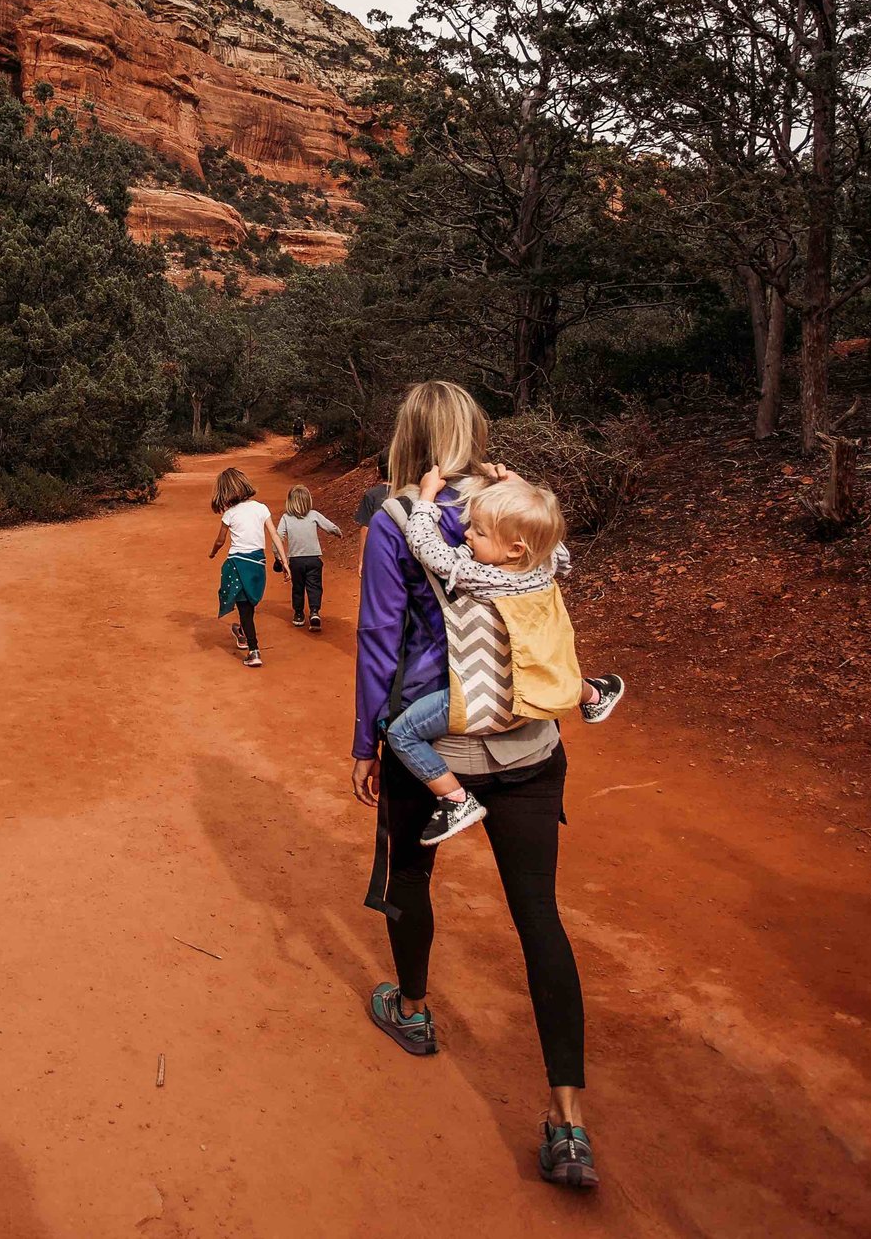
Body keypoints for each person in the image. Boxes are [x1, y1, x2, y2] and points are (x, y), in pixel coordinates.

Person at [353, 380, 600, 1190]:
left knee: (412, 876)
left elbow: (381, 636)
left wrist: (367, 741)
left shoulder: (396, 518)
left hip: (443, 731)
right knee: (540, 917)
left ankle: (415, 1012)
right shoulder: (512, 504)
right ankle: (567, 1119)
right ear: (472, 432)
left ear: (407, 437)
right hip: (530, 735)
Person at [387, 470, 626, 846]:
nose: (467, 534)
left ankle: (454, 798)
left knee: (402, 733)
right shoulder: (547, 564)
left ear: (514, 549)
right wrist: (516, 484)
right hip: (540, 676)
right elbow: (554, 542)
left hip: (490, 698)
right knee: (547, 667)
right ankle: (593, 694)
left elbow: (426, 548)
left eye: (479, 532)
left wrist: (426, 500)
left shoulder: (483, 579)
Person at [209, 467, 282, 668]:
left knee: (244, 607)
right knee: (249, 604)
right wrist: (284, 560)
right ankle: (242, 633)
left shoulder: (230, 514)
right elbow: (274, 535)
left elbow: (220, 541)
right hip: (258, 565)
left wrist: (213, 552)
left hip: (237, 565)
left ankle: (254, 650)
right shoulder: (261, 508)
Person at [276, 485, 341, 631]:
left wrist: (278, 556)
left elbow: (278, 537)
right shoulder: (313, 515)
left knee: (298, 587)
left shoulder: (286, 518)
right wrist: (337, 532)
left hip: (296, 561)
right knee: (314, 586)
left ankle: (299, 614)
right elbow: (330, 526)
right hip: (313, 560)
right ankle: (314, 612)